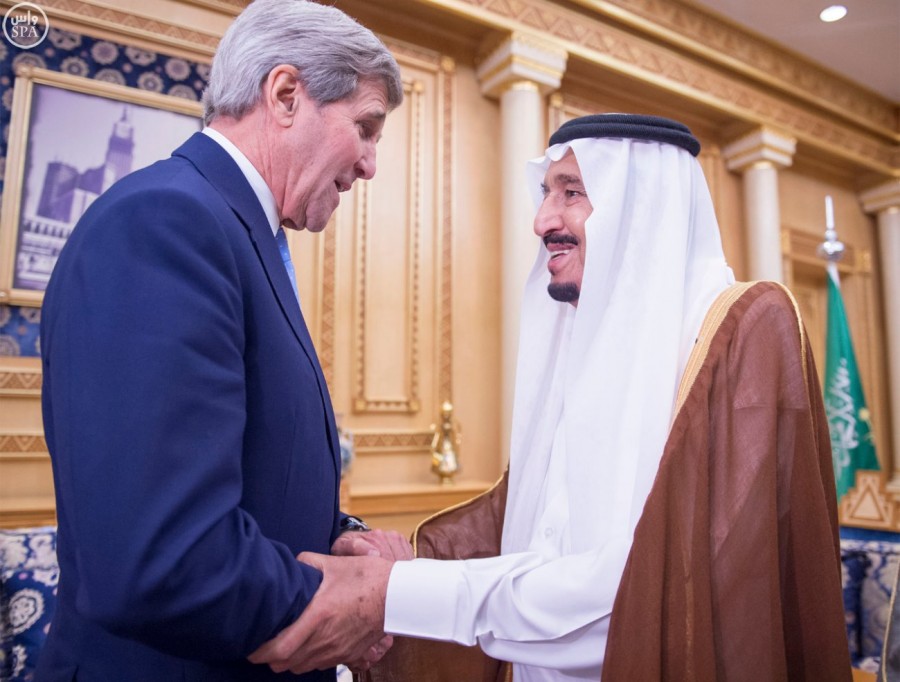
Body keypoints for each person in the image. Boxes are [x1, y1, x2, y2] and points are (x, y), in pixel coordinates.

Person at [251, 114, 852, 681]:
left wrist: (395, 594)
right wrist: (402, 565)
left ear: (639, 209)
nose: (542, 221)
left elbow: (656, 584)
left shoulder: (740, 333)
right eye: (546, 193)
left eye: (571, 192)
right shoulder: (584, 347)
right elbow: (525, 534)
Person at [36, 1, 410, 679]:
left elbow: (246, 477)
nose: (370, 164)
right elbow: (164, 553)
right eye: (365, 127)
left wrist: (340, 542)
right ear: (287, 94)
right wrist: (352, 599)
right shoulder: (166, 222)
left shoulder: (235, 232)